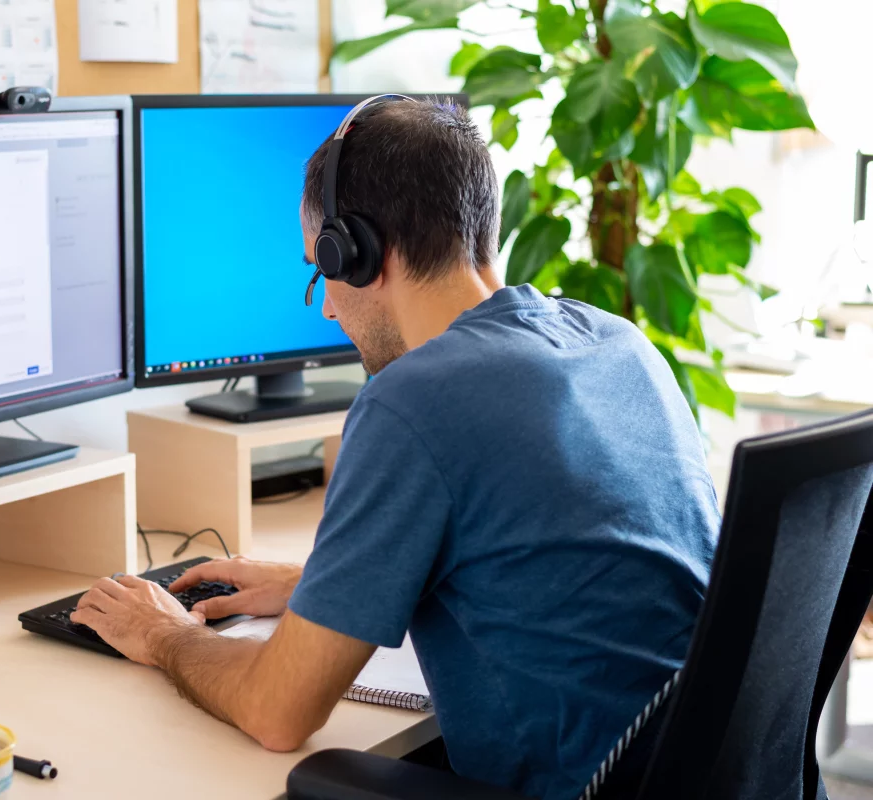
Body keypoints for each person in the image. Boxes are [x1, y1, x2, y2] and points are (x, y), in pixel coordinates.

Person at [71, 98, 719, 800]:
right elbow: (560, 567)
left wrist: (164, 635)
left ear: (360, 251)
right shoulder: (618, 343)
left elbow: (276, 713)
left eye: (321, 269)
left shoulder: (415, 400)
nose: (325, 306)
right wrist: (320, 588)